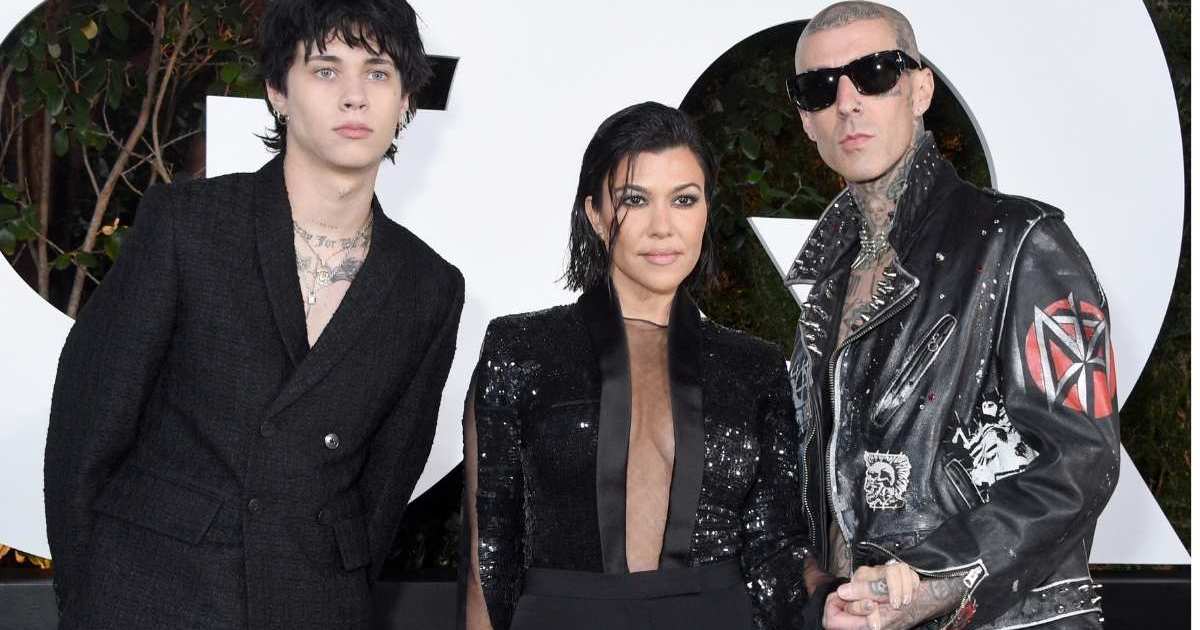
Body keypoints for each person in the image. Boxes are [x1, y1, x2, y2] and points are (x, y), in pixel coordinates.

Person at [43, 1, 464, 628]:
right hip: (148, 592)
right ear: (277, 92)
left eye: (378, 73)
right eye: (326, 70)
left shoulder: (428, 286)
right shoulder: (189, 225)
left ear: (405, 101)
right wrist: (89, 598)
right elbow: (88, 428)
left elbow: (385, 486)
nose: (355, 96)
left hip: (312, 602)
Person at [783, 2, 1120, 629]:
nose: (848, 103)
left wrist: (936, 577)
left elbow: (1081, 461)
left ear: (920, 90)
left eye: (875, 73)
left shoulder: (1021, 240)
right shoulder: (830, 283)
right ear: (807, 120)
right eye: (820, 88)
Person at [461, 102, 808, 630]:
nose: (663, 227)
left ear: (706, 211)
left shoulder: (755, 367)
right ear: (595, 214)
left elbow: (776, 548)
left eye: (684, 200)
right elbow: (487, 553)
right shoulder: (521, 350)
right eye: (635, 200)